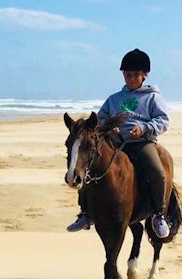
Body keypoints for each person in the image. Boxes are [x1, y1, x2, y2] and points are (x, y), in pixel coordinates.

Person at [67, 48, 171, 238]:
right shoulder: (114, 99)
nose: (131, 78)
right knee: (89, 166)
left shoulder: (153, 97)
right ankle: (85, 212)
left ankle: (159, 214)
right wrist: (108, 128)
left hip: (141, 143)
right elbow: (99, 120)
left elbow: (163, 120)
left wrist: (144, 128)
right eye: (127, 74)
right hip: (114, 143)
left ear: (144, 74)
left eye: (135, 75)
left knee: (157, 171)